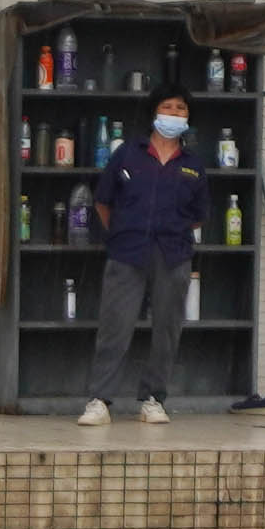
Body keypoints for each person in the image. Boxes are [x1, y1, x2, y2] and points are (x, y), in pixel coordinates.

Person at [77, 97, 216, 427]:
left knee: (167, 329)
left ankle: (154, 399)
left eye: (181, 109)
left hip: (173, 255)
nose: (173, 114)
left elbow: (199, 216)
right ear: (155, 112)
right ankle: (99, 400)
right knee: (115, 326)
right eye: (167, 107)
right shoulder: (127, 154)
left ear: (188, 118)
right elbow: (103, 201)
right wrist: (122, 233)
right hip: (127, 252)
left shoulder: (193, 165)